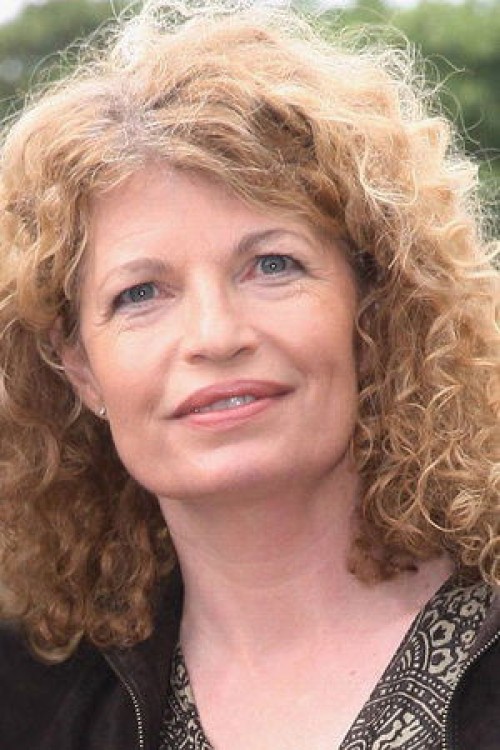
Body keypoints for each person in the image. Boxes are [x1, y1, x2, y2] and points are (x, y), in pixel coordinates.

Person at [0, 1, 498, 748]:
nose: (215, 336)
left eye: (271, 265)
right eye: (140, 293)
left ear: (374, 305)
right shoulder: (29, 702)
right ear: (79, 368)